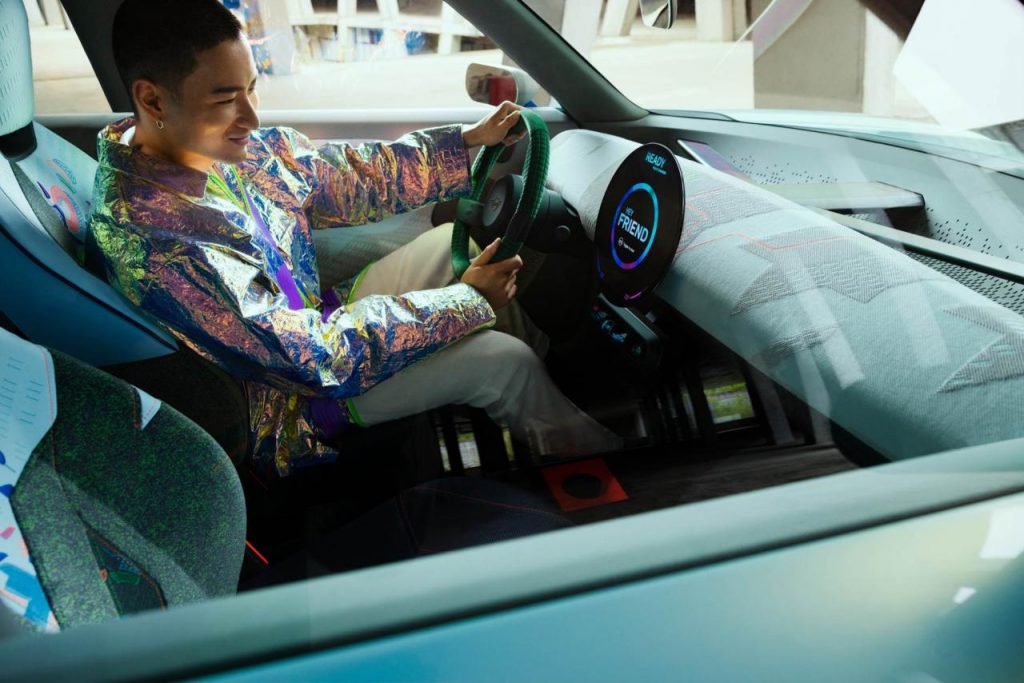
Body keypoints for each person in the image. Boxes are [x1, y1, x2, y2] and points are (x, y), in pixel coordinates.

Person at [88, 0, 620, 477]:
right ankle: (610, 475)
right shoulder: (160, 243)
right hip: (295, 400)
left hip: (318, 319)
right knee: (504, 363)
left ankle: (557, 398)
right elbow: (310, 360)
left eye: (251, 88)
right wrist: (466, 302)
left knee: (454, 246)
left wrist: (465, 143)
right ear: (152, 100)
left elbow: (343, 174)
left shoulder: (210, 146)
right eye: (226, 99)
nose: (252, 116)